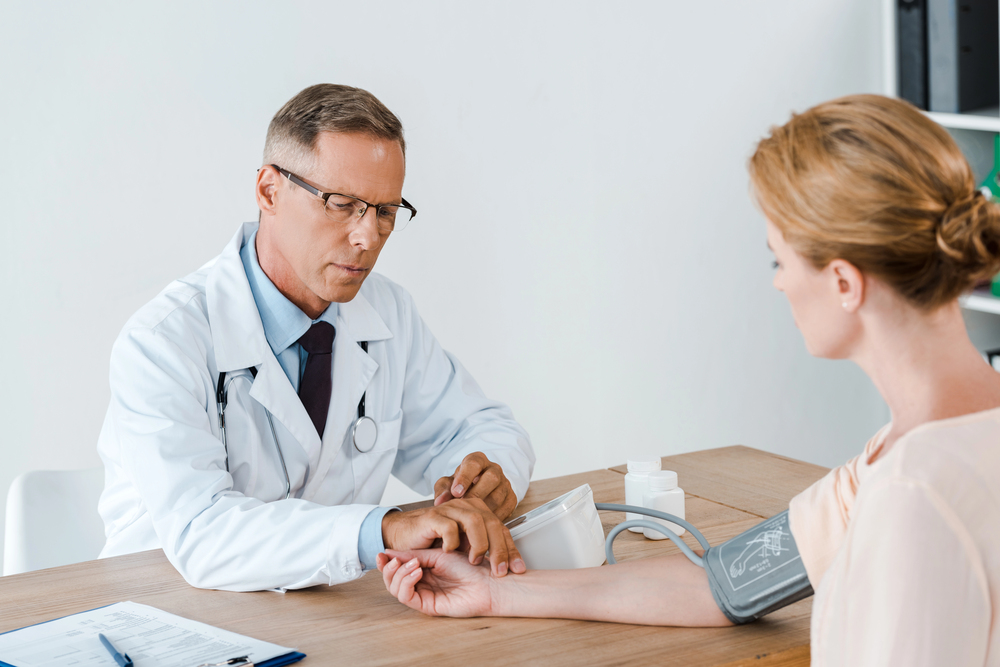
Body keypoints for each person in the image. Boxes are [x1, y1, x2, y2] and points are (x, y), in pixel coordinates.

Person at [377, 94, 1000, 664]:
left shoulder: (912, 494)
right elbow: (724, 583)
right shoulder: (912, 453)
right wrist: (495, 594)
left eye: (778, 259)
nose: (779, 282)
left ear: (843, 282)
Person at [97, 84, 535, 592]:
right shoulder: (163, 342)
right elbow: (201, 533)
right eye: (342, 203)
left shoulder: (386, 312)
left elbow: (486, 428)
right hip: (168, 616)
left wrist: (481, 482)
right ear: (269, 191)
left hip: (322, 615)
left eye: (385, 211)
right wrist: (381, 530)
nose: (367, 237)